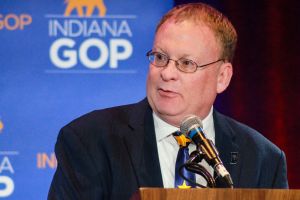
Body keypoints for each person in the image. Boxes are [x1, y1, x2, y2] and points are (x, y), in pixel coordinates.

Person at [48, 3, 288, 200]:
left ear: (222, 77)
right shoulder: (90, 140)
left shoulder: (262, 158)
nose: (167, 73)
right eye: (160, 57)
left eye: (186, 63)